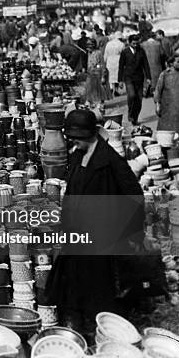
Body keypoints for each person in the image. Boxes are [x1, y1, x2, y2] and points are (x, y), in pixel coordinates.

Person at [45, 109, 144, 339]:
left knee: (97, 285)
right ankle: (76, 324)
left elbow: (134, 196)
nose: (73, 142)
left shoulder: (110, 160)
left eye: (76, 138)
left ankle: (100, 329)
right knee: (70, 280)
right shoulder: (78, 155)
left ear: (88, 135)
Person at [118, 35, 151, 125]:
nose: (135, 45)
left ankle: (135, 118)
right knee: (132, 95)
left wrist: (148, 77)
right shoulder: (125, 52)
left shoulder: (141, 51)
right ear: (129, 43)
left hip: (139, 78)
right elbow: (121, 66)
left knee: (139, 99)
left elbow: (146, 65)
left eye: (137, 43)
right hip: (128, 77)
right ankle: (130, 113)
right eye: (133, 43)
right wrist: (120, 80)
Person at [154, 50, 179, 140]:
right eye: (178, 61)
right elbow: (158, 90)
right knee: (167, 130)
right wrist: (157, 104)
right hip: (167, 107)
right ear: (172, 63)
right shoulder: (164, 74)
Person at [83, 39, 109, 106]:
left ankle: (100, 102)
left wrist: (103, 76)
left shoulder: (98, 53)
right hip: (90, 73)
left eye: (90, 45)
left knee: (99, 88)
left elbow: (102, 64)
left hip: (98, 73)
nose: (88, 47)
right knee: (89, 87)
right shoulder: (88, 53)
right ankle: (89, 101)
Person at [104, 32, 125, 97]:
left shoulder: (108, 44)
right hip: (118, 60)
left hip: (109, 61)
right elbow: (124, 54)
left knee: (111, 77)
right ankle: (116, 90)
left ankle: (111, 89)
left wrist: (104, 62)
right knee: (117, 76)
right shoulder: (121, 44)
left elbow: (106, 54)